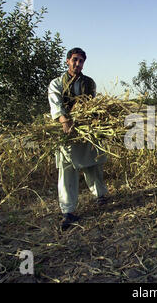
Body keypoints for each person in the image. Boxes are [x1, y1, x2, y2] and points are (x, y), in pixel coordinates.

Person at [48, 47, 108, 230]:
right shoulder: (57, 83)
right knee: (67, 169)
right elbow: (56, 104)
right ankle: (68, 210)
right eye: (75, 60)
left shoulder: (89, 83)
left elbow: (93, 103)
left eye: (81, 61)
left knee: (93, 163)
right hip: (67, 131)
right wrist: (64, 121)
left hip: (86, 130)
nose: (77, 63)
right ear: (67, 61)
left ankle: (101, 197)